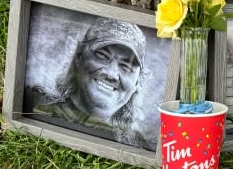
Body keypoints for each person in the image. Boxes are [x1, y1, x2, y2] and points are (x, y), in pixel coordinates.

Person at [27, 17, 150, 147]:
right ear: (79, 56)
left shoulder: (138, 145)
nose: (112, 74)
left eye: (127, 67)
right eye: (102, 55)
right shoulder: (33, 106)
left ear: (137, 83)